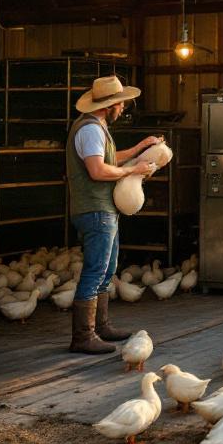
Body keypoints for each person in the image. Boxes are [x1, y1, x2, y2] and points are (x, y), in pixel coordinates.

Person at [65, 75, 164, 354]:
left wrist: (139, 149)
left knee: (107, 270)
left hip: (103, 209)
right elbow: (98, 171)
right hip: (95, 209)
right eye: (120, 104)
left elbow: (109, 160)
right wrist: (134, 170)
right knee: (96, 270)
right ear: (109, 105)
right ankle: (83, 336)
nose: (122, 108)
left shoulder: (96, 126)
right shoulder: (90, 130)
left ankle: (101, 327)